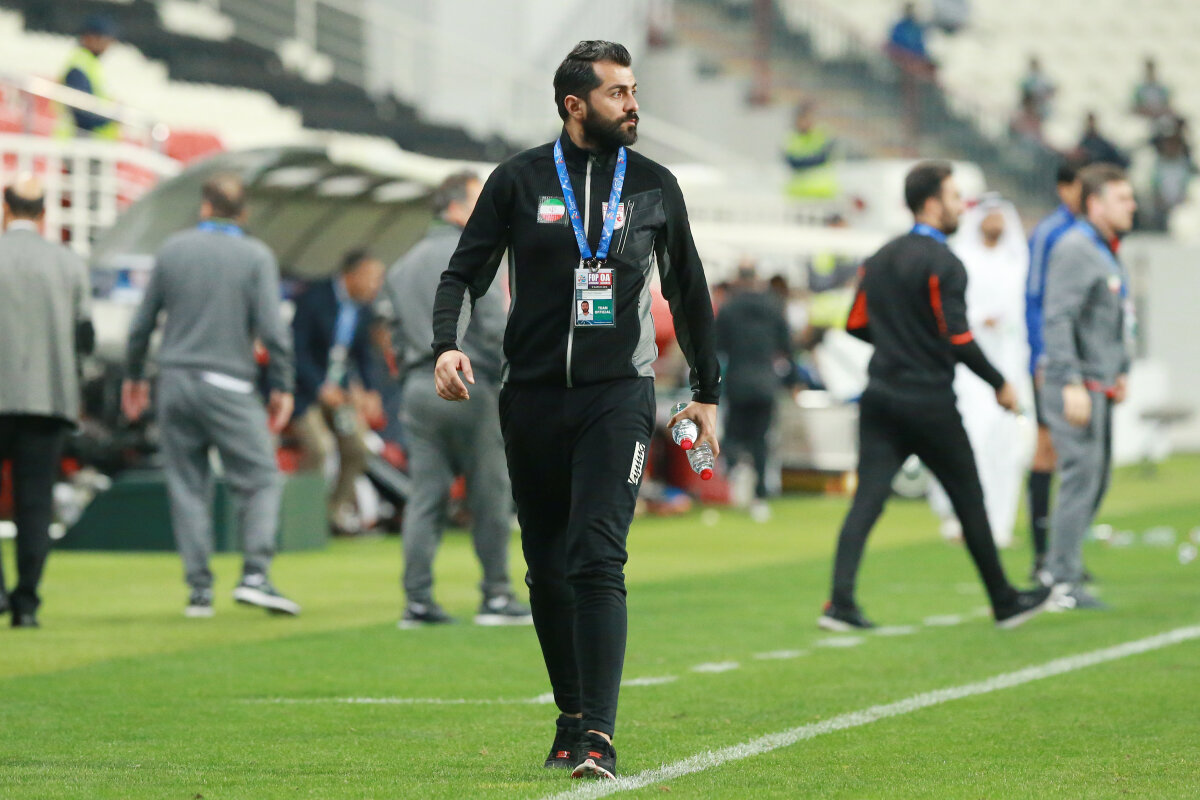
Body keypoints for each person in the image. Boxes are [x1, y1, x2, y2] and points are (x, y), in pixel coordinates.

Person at [431, 40, 721, 780]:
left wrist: (706, 392)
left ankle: (599, 734)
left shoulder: (653, 185)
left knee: (597, 556)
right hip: (529, 399)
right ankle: (570, 716)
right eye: (618, 92)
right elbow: (462, 275)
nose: (633, 104)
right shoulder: (518, 180)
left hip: (617, 397)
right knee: (546, 566)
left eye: (633, 90)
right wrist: (446, 346)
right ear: (574, 104)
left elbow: (688, 291)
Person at [820, 161, 1053, 633]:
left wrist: (898, 342)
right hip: (928, 399)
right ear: (930, 203)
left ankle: (839, 604)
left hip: (880, 396)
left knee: (867, 500)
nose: (961, 207)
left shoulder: (880, 257)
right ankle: (1004, 600)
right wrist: (1000, 383)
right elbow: (958, 338)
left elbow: (855, 323)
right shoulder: (945, 263)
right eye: (953, 197)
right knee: (969, 498)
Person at [123, 174, 299, 618]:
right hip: (228, 383)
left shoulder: (172, 250)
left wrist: (134, 377)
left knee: (187, 485)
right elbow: (273, 330)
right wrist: (282, 385)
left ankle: (199, 591)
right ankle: (255, 575)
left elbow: (141, 325)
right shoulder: (255, 255)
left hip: (174, 381)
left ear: (204, 207)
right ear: (243, 213)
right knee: (260, 478)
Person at [377, 171, 531, 628]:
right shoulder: (478, 252)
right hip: (471, 383)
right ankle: (496, 595)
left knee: (425, 498)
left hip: (418, 386)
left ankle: (417, 600)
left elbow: (391, 332)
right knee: (490, 495)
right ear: (456, 206)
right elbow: (494, 327)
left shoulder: (402, 264)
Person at [1040, 164, 1135, 610]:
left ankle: (1064, 568)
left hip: (1098, 381)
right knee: (1080, 479)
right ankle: (1060, 579)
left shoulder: (1103, 248)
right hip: (1076, 384)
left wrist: (1120, 368)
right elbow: (1058, 317)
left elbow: (1110, 317)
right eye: (1123, 198)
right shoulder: (1076, 248)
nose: (1133, 205)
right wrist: (1071, 380)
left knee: (1095, 480)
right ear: (1094, 204)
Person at [0, 177, 94, 628]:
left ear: (5, 209)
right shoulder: (67, 263)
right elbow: (85, 336)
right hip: (48, 398)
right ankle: (27, 604)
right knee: (35, 502)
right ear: (43, 213)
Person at [928, 197, 1031, 549]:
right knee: (971, 442)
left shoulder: (1016, 262)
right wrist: (979, 320)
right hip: (970, 369)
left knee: (1008, 448)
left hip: (1010, 365)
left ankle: (999, 524)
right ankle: (964, 518)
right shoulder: (963, 259)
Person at [290, 249, 385, 536]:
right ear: (352, 275)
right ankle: (301, 520)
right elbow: (297, 350)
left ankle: (332, 515)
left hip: (338, 395)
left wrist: (370, 390)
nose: (375, 286)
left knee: (359, 447)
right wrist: (320, 386)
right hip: (304, 393)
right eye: (371, 278)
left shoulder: (363, 309)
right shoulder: (313, 298)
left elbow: (363, 355)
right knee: (320, 447)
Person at [1025, 161, 1082, 578]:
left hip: (1085, 362)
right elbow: (1033, 298)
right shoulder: (1049, 233)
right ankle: (1042, 554)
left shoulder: (1094, 233)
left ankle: (1068, 554)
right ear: (1064, 188)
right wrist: (1041, 356)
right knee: (1047, 448)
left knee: (1080, 457)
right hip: (1052, 361)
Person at [715, 263, 795, 522]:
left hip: (738, 381)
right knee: (761, 440)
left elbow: (717, 345)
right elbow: (788, 347)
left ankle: (736, 471)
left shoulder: (729, 308)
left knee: (733, 435)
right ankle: (760, 494)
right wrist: (792, 380)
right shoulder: (773, 306)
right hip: (765, 382)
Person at [58, 15, 120, 139]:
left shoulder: (89, 64)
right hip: (78, 143)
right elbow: (83, 114)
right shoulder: (79, 67)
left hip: (86, 143)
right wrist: (113, 116)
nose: (108, 45)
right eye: (105, 39)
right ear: (89, 37)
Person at [783, 102, 838, 199]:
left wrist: (805, 160)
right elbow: (793, 162)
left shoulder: (823, 135)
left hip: (823, 192)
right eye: (802, 118)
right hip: (798, 193)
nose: (805, 122)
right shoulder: (791, 138)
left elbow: (824, 156)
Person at [887, 3, 932, 70]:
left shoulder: (917, 28)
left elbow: (920, 46)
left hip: (915, 60)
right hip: (901, 59)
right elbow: (894, 44)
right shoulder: (899, 26)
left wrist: (922, 58)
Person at [1019, 56, 1055, 122]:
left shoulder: (1043, 79)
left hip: (1039, 108)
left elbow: (1051, 90)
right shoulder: (1029, 79)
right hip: (1032, 108)